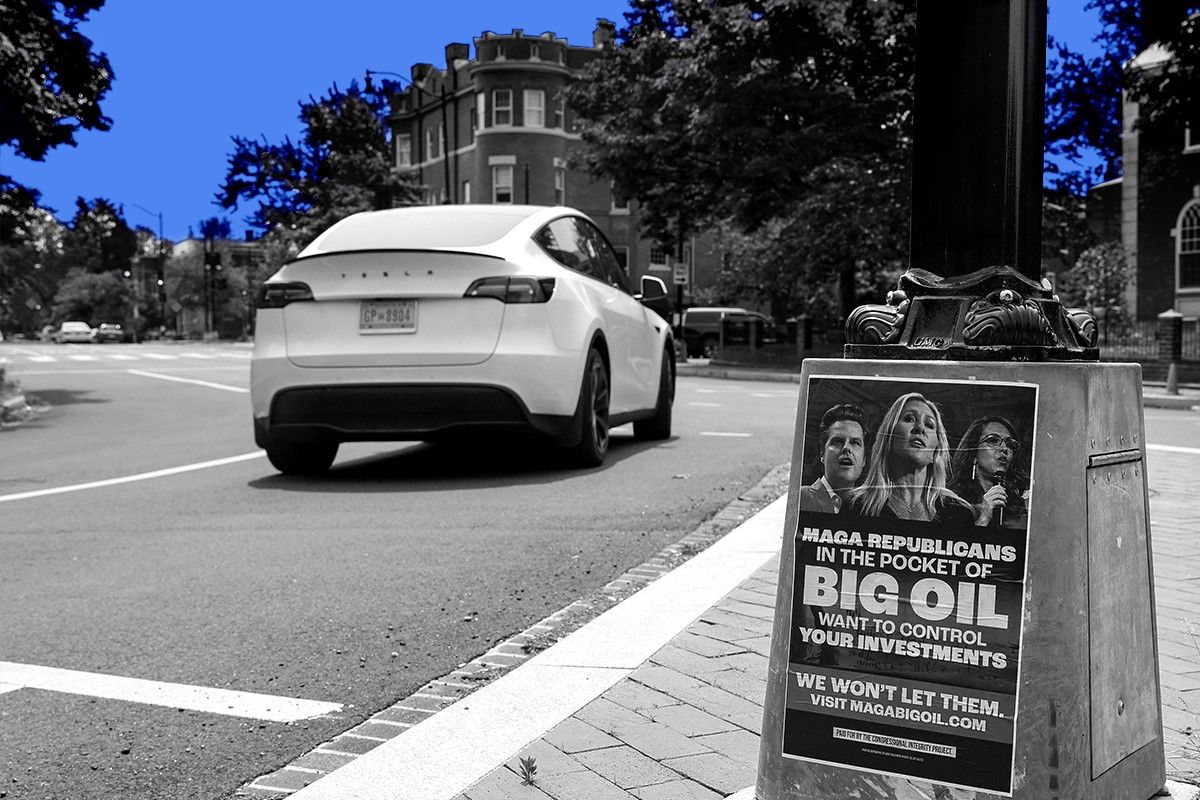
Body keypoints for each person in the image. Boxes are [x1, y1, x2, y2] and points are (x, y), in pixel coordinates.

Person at [848, 392, 974, 524]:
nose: (920, 428)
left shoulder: (959, 513)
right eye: (909, 419)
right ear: (889, 437)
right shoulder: (856, 506)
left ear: (936, 451)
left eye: (929, 425)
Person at [950, 416, 1029, 529]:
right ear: (973, 453)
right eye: (993, 440)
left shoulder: (1020, 504)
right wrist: (984, 518)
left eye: (1010, 444)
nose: (1004, 448)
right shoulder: (952, 501)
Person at [800, 404, 868, 513]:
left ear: (864, 459)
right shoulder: (801, 498)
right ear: (822, 454)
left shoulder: (869, 509)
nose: (846, 448)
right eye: (837, 442)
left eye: (855, 443)